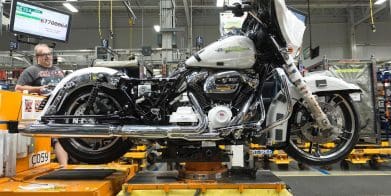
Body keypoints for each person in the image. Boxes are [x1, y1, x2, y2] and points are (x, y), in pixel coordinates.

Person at [15, 43, 68, 167]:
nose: (48, 57)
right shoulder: (31, 71)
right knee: (55, 137)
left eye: (49, 54)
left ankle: (64, 166)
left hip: (59, 109)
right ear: (37, 57)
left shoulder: (58, 70)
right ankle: (62, 166)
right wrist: (39, 89)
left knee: (62, 137)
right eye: (44, 55)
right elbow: (18, 88)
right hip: (41, 111)